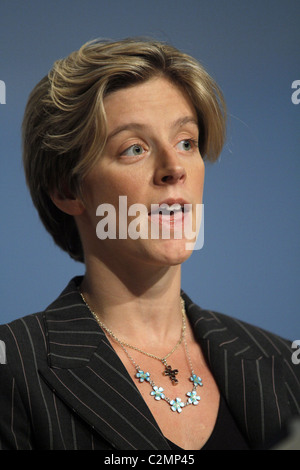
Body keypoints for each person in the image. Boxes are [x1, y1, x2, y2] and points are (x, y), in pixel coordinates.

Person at [0, 38, 299, 451]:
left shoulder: (284, 364)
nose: (174, 168)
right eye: (134, 148)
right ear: (68, 190)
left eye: (186, 142)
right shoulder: (14, 368)